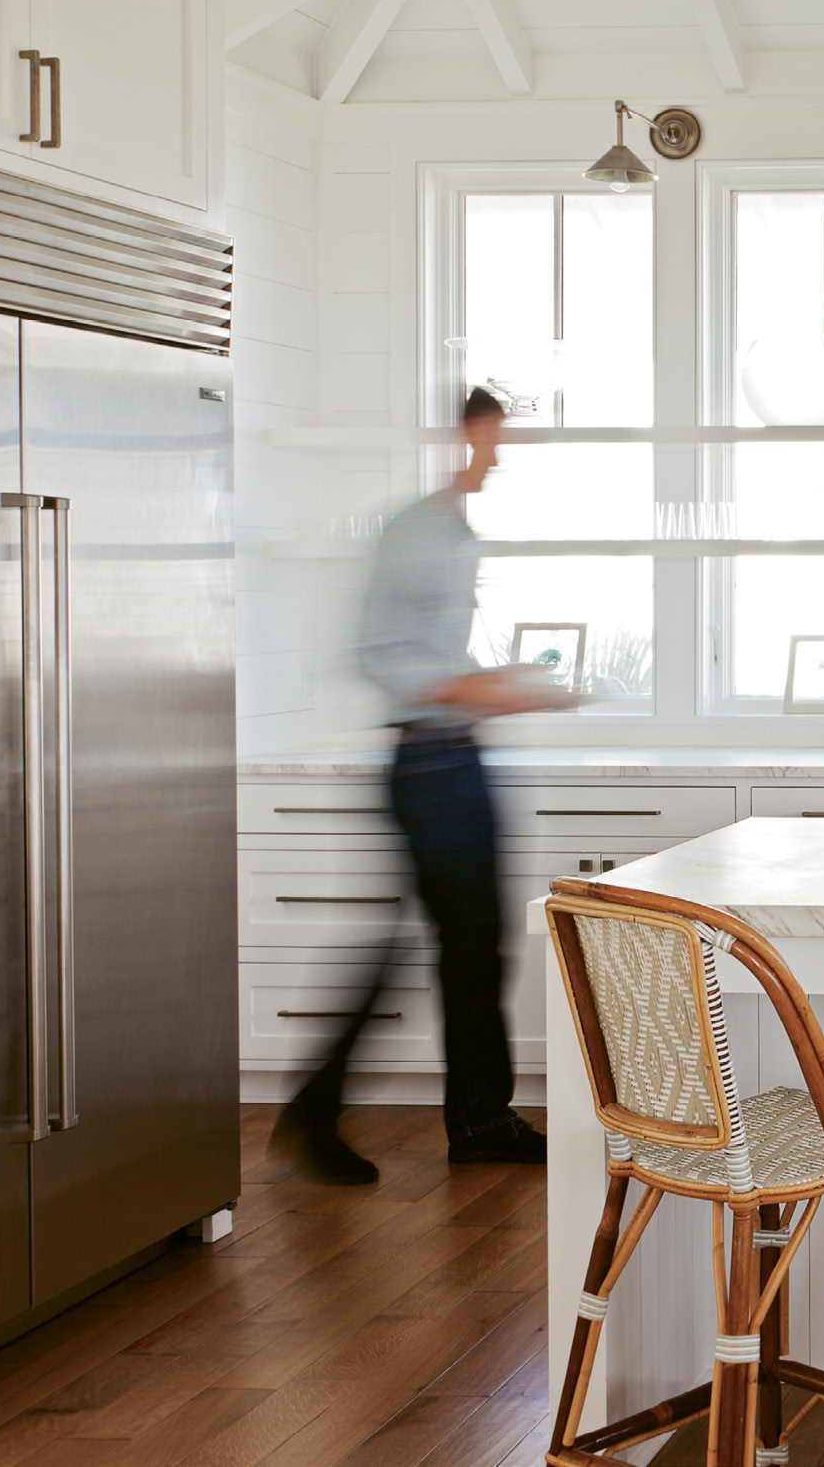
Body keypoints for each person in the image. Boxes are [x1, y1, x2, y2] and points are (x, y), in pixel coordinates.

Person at [273, 387, 559, 1183]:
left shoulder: (453, 529)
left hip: (453, 758)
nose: (501, 455)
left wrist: (496, 681)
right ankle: (320, 1108)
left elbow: (429, 653)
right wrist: (476, 690)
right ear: (471, 431)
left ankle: (476, 1120)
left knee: (472, 948)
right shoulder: (417, 529)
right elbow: (383, 654)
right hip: (432, 766)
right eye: (497, 437)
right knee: (436, 947)